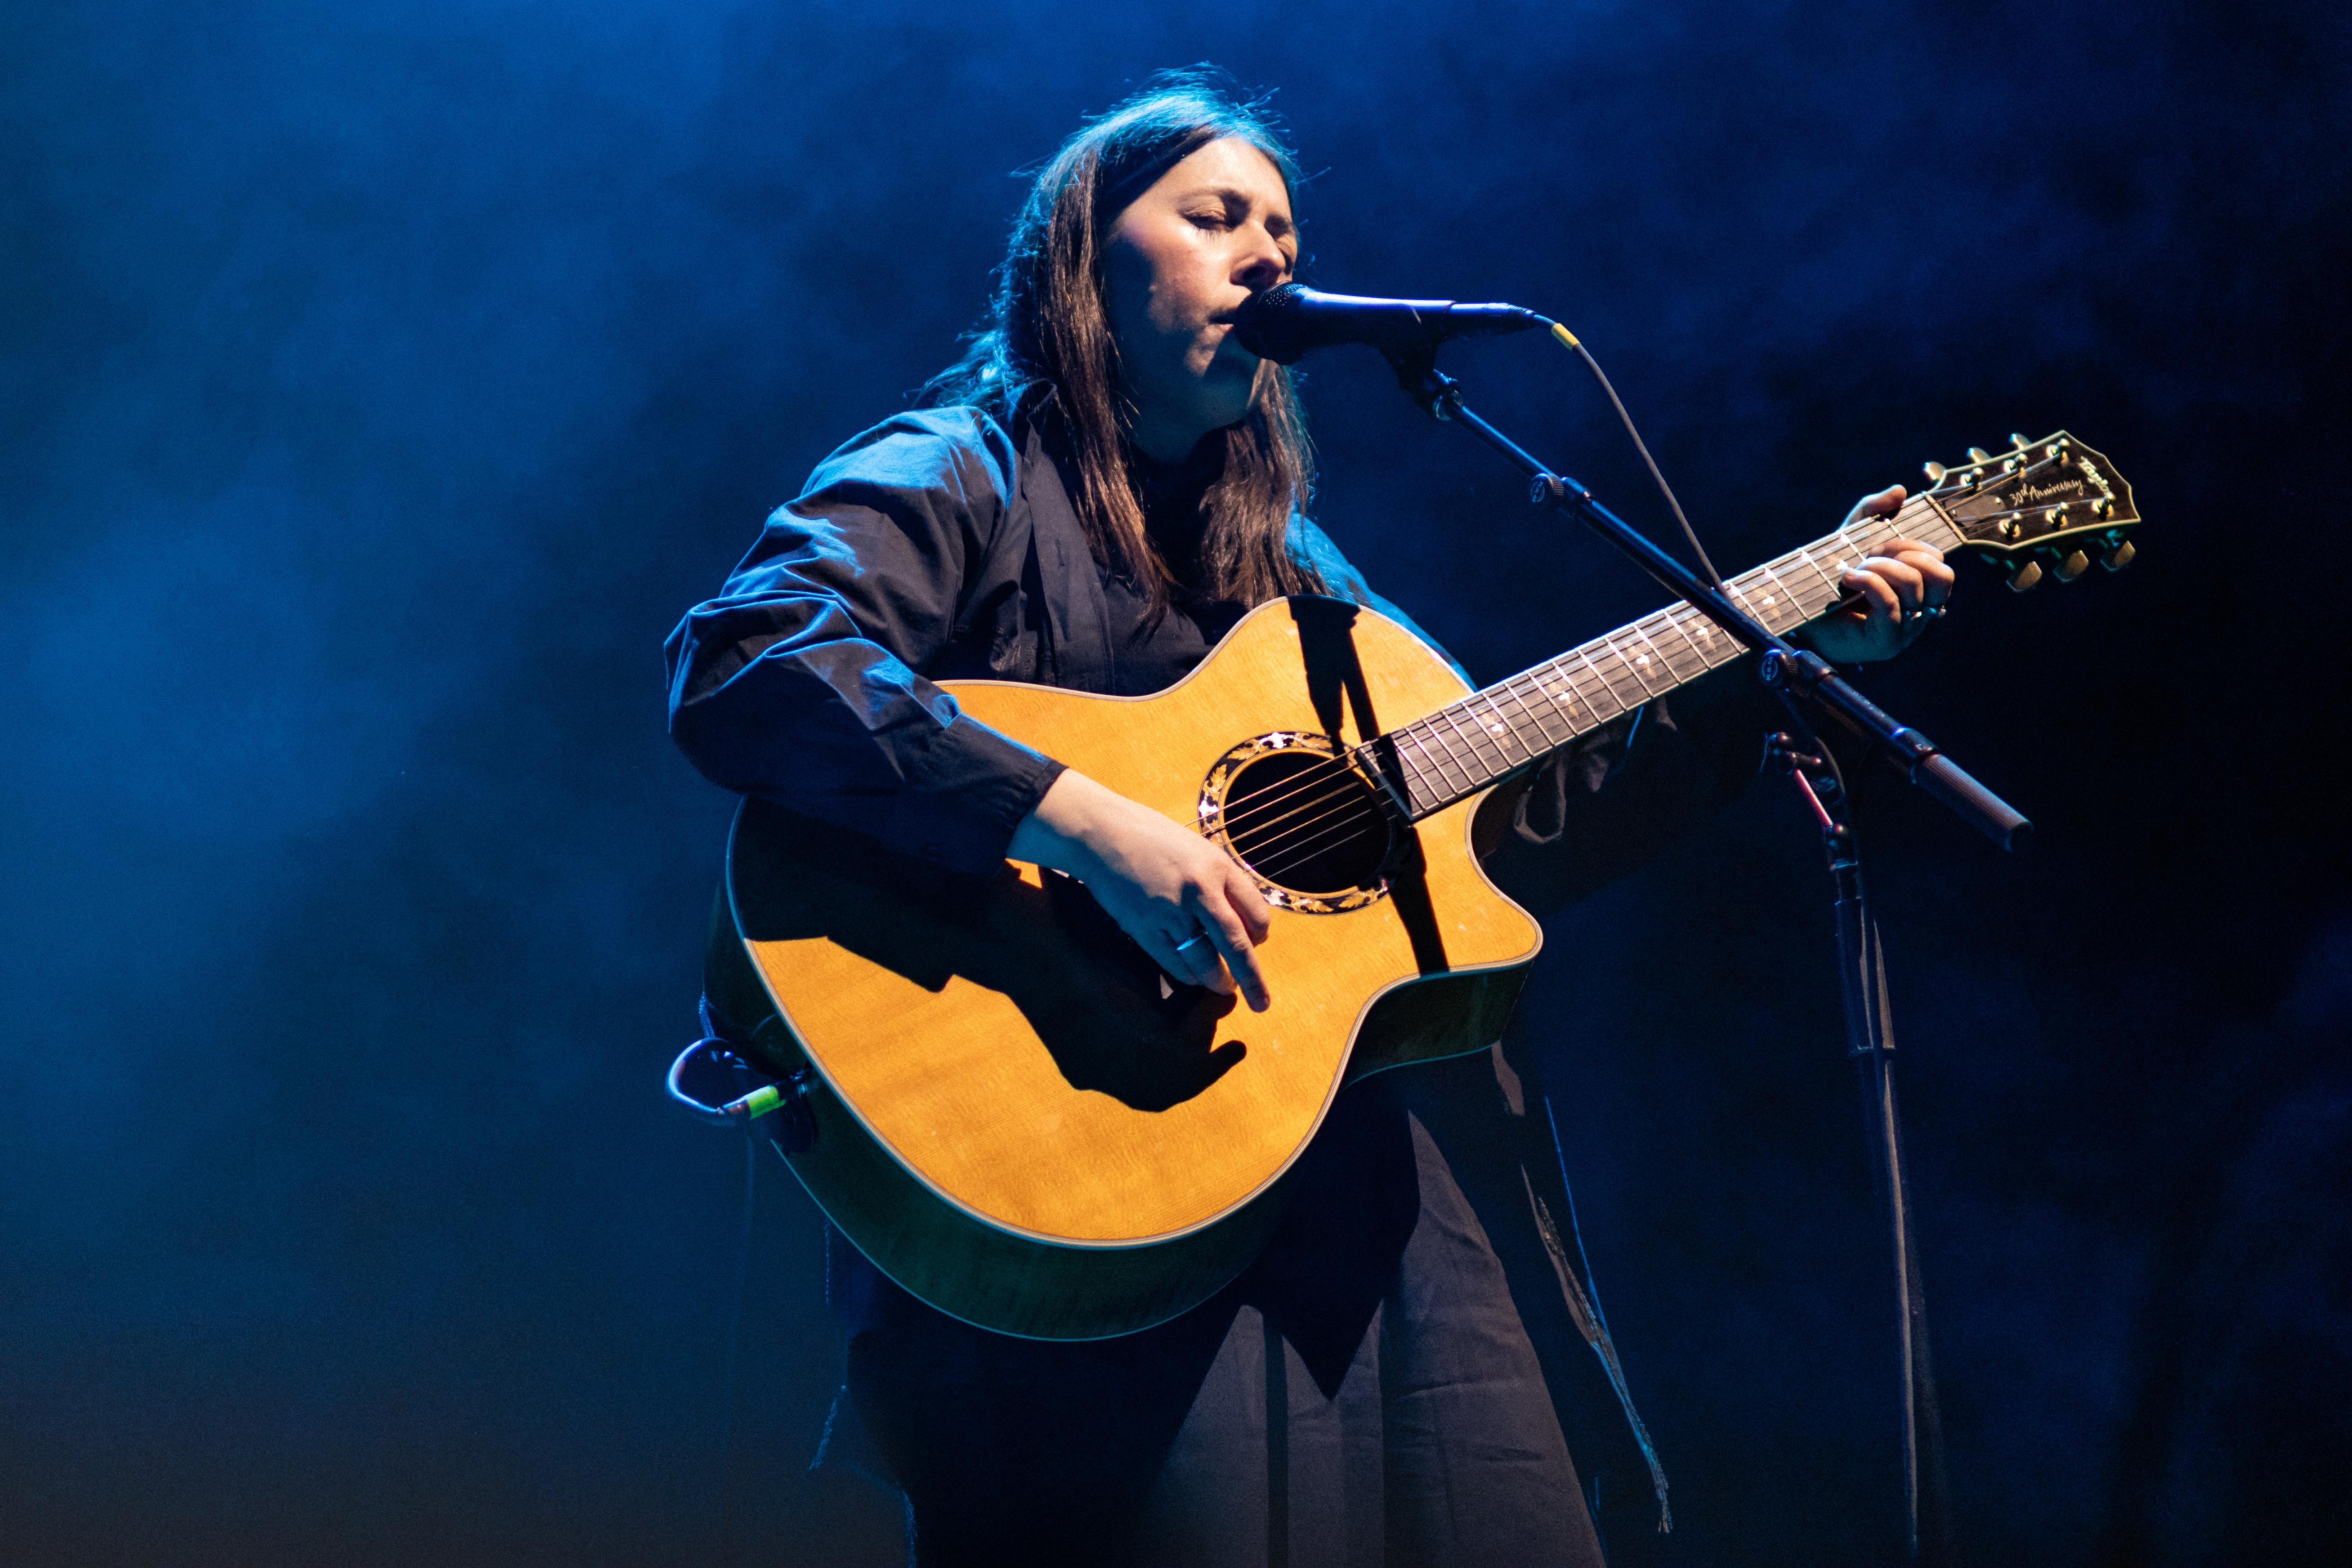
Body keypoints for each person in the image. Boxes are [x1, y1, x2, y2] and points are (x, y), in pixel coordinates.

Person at [665, 70, 1953, 1568]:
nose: (1269, 253)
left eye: (1284, 227)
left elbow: (1511, 840)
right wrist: (1084, 820)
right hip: (1099, 1165)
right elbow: (753, 663)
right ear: (1086, 257)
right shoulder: (961, 469)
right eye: (1214, 216)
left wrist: (1764, 670)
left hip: (1383, 1214)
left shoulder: (1304, 577)